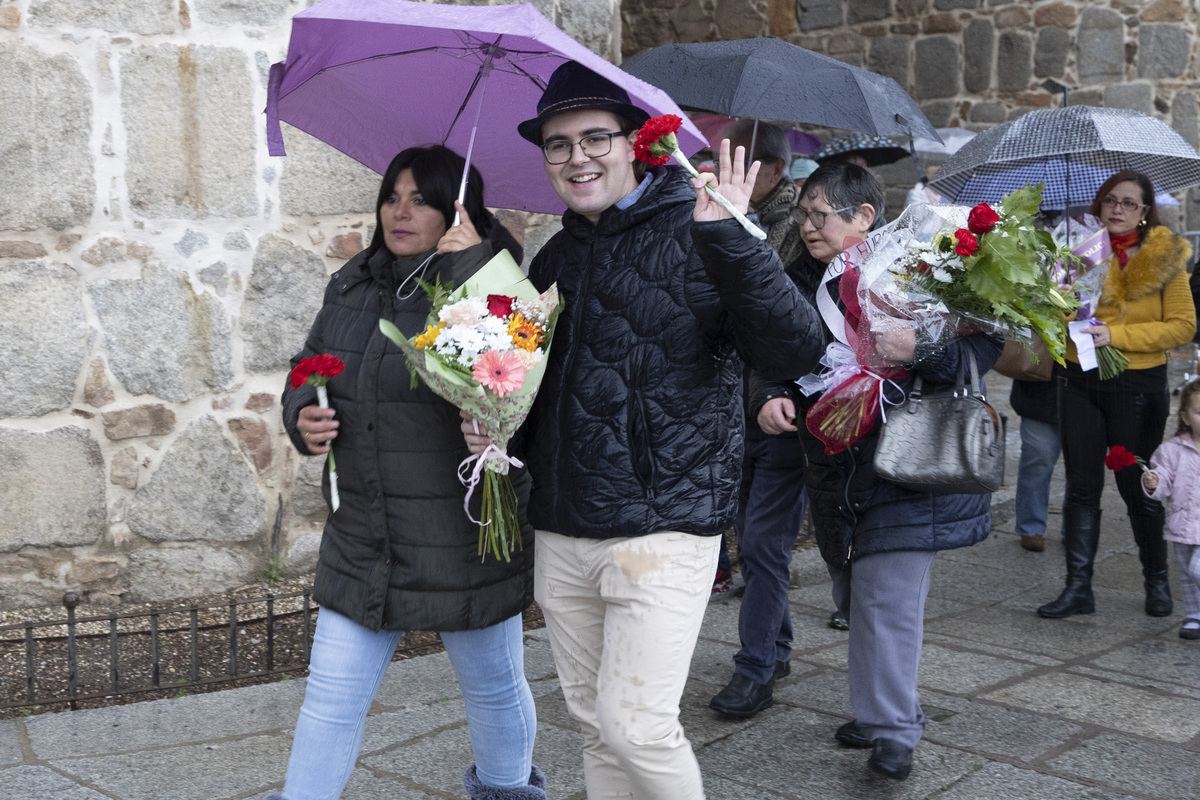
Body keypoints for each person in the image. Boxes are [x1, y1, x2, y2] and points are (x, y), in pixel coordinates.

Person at [465, 61, 823, 800]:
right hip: (565, 524)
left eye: (595, 137)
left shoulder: (703, 227)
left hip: (662, 526)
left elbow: (797, 349)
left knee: (639, 726)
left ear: (635, 144)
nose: (576, 157)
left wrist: (732, 240)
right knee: (595, 723)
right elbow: (542, 386)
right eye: (557, 145)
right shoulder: (557, 255)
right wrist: (498, 430)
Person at [272, 146, 545, 800]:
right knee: (329, 699)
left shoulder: (496, 289)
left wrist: (475, 265)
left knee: (494, 688)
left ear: (458, 207)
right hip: (364, 534)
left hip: (460, 534)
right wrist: (300, 413)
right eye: (392, 195)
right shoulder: (355, 282)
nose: (400, 210)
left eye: (421, 198)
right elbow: (312, 368)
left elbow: (532, 400)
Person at [758, 162, 1001, 781]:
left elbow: (985, 343)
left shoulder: (923, 265)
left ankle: (894, 730)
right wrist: (767, 393)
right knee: (851, 589)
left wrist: (920, 349)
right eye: (804, 214)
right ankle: (876, 711)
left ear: (864, 217)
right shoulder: (795, 280)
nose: (807, 226)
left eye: (821, 214)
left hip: (906, 459)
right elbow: (767, 348)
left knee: (886, 597)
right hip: (833, 462)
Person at [1038, 170, 1196, 620]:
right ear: (1099, 203)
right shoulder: (1076, 250)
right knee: (1082, 486)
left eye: (1129, 203)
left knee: (1137, 485)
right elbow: (1054, 313)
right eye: (1110, 200)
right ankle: (1078, 588)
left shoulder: (1165, 257)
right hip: (1079, 379)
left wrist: (1118, 335)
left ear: (1145, 212)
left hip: (1137, 386)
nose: (1118, 209)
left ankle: (1157, 581)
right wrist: (1058, 294)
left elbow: (1183, 326)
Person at [708, 119, 810, 718]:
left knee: (766, 546)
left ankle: (756, 670)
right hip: (733, 405)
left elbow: (790, 322)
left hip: (781, 410)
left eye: (740, 164)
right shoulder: (720, 219)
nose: (727, 176)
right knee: (751, 534)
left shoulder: (801, 234)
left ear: (771, 172)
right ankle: (777, 644)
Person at [1143, 379, 1200, 639]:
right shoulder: (1172, 450)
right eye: (1199, 412)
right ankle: (1194, 616)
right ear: (1185, 417)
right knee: (1186, 575)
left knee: (1197, 569)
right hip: (1182, 521)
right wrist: (1154, 482)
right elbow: (1163, 476)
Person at [1009, 377, 1061, 552]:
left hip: (1089, 384)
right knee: (1038, 457)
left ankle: (1078, 528)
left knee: (1083, 467)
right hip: (1041, 387)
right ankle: (1031, 527)